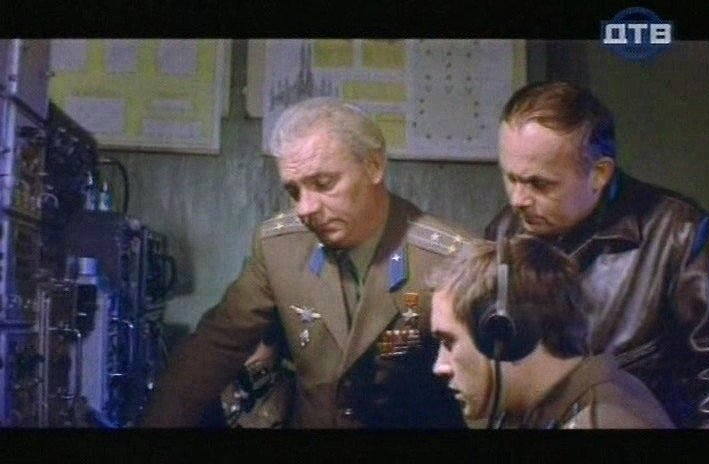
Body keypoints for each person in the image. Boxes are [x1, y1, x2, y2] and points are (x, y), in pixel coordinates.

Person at [141, 97, 473, 428]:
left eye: (323, 184)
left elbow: (485, 391)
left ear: (374, 166)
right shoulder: (280, 248)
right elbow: (214, 348)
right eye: (294, 191)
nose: (305, 208)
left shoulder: (451, 259)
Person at [484, 80, 709, 428]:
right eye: (511, 178)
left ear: (600, 173)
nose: (518, 199)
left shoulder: (681, 236)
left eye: (539, 183)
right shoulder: (504, 231)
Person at [429, 236, 675, 429]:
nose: (440, 366)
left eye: (449, 342)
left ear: (505, 335)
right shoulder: (547, 408)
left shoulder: (605, 421)